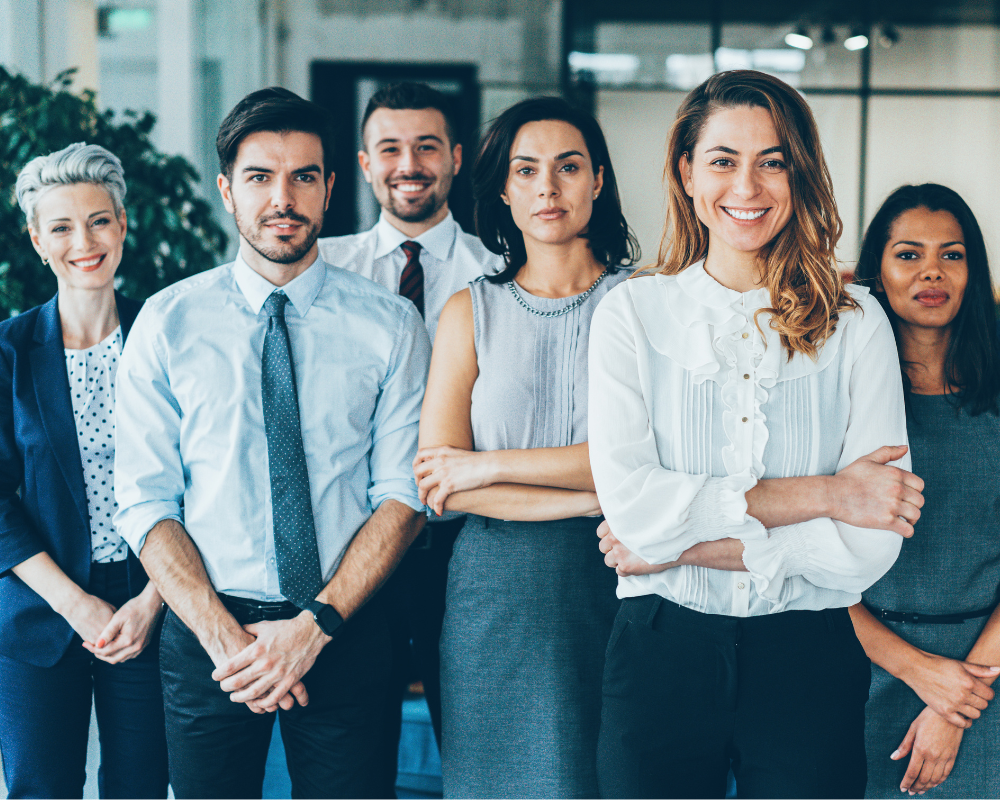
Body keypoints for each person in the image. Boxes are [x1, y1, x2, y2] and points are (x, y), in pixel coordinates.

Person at [588, 69, 925, 799]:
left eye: (773, 160)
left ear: (800, 173)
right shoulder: (632, 315)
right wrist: (829, 494)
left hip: (807, 655)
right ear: (686, 171)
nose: (749, 185)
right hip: (661, 651)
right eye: (723, 160)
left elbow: (867, 547)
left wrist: (682, 546)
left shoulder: (858, 324)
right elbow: (634, 510)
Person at [113, 87, 430, 799]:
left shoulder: (391, 326)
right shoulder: (168, 324)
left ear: (330, 189)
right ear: (227, 190)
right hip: (207, 637)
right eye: (260, 177)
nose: (282, 198)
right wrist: (229, 641)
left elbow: (403, 496)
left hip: (344, 628)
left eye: (303, 177)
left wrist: (313, 628)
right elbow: (143, 500)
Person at [415, 95, 638, 798]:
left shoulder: (647, 303)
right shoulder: (468, 311)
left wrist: (490, 465)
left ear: (598, 181)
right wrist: (590, 498)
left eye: (568, 167)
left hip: (625, 578)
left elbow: (644, 461)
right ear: (504, 190)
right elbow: (440, 487)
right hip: (496, 593)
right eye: (527, 170)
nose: (548, 187)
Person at [317, 82, 502, 760]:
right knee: (353, 746)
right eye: (390, 148)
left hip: (467, 543)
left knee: (474, 733)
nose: (409, 164)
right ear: (364, 164)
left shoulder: (502, 274)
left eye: (427, 146)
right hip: (352, 542)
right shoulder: (322, 271)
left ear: (454, 157)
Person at [0, 143, 167, 798]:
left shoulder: (169, 335)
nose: (85, 241)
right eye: (62, 227)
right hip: (42, 610)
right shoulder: (8, 351)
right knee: (42, 788)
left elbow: (204, 480)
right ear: (38, 240)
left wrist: (155, 598)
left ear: (123, 225)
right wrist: (76, 605)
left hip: (153, 601)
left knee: (142, 785)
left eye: (99, 220)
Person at [851, 184, 1000, 798]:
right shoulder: (842, 403)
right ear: (877, 273)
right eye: (908, 255)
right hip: (858, 664)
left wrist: (954, 702)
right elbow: (803, 563)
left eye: (953, 255)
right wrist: (917, 670)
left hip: (986, 675)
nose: (932, 271)